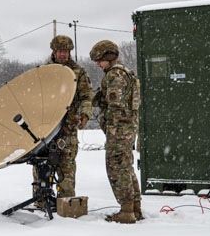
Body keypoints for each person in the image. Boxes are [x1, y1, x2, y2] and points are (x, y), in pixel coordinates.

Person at [90, 39, 142, 223]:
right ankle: (135, 208)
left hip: (119, 131)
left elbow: (115, 105)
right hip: (128, 130)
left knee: (116, 169)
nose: (98, 64)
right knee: (126, 167)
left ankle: (126, 211)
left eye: (99, 60)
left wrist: (110, 127)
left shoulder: (114, 75)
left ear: (108, 57)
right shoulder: (127, 73)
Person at [45, 35, 94, 198]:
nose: (63, 54)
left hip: (69, 126)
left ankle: (66, 201)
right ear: (54, 51)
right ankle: (41, 199)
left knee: (67, 165)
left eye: (66, 51)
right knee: (43, 164)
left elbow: (86, 96)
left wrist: (85, 114)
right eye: (60, 51)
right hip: (46, 127)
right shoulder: (44, 72)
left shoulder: (78, 72)